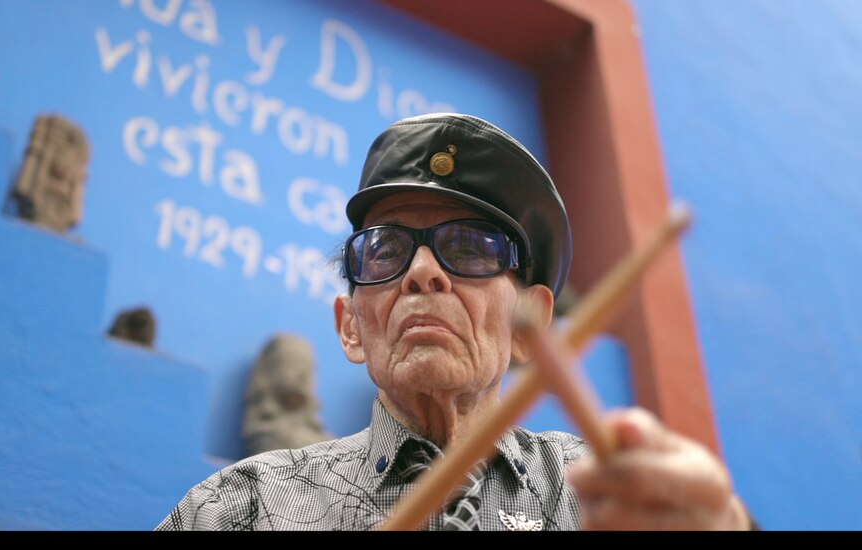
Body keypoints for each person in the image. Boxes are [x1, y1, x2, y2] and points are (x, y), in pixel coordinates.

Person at [155, 113, 753, 531]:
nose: (422, 272)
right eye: (385, 249)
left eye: (469, 247)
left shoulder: (603, 499)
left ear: (531, 328)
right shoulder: (242, 509)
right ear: (351, 326)